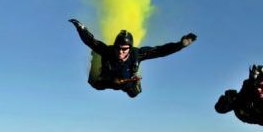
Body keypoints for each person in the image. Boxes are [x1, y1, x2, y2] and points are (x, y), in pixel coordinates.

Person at [69, 19, 197, 98]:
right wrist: (81, 29)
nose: (120, 51)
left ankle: (133, 83)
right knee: (95, 84)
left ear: (130, 48)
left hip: (127, 82)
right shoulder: (107, 51)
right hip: (107, 79)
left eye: (124, 49)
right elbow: (91, 41)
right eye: (118, 48)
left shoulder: (137, 54)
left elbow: (160, 51)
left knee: (134, 93)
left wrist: (180, 45)